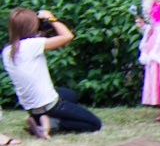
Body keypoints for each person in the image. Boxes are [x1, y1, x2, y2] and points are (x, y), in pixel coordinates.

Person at [2, 7, 102, 137]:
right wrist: (51, 18)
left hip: (31, 106)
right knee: (94, 124)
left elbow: (33, 44)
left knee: (69, 95)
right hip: (48, 104)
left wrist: (41, 32)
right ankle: (53, 124)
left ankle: (40, 118)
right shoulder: (31, 46)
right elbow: (67, 36)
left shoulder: (7, 50)